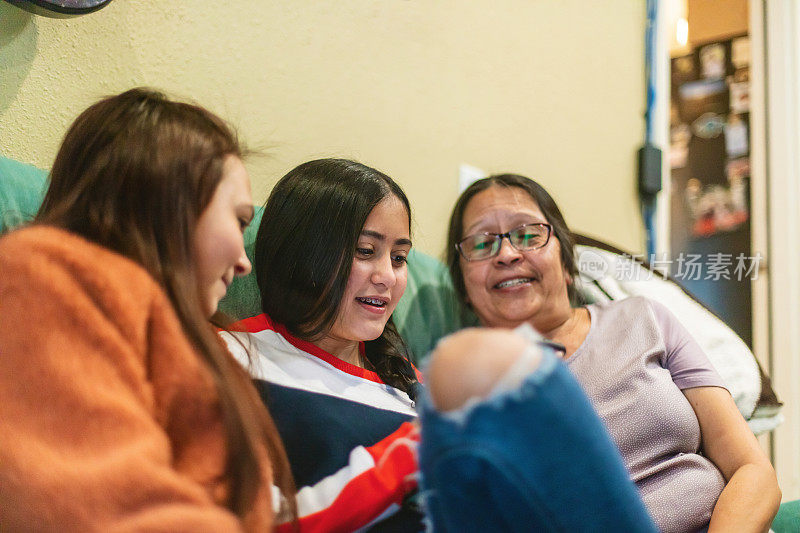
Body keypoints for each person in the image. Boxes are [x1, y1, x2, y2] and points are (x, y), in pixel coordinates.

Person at [224, 159, 659, 532]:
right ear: (302, 253)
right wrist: (419, 446)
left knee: (522, 380)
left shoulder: (408, 381)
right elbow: (259, 521)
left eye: (398, 258)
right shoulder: (235, 357)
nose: (388, 276)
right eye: (364, 251)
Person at [0, 88, 295, 532]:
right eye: (238, 220)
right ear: (171, 200)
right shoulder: (43, 275)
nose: (244, 262)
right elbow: (87, 502)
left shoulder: (199, 341)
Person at [445, 174, 781, 533]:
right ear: (463, 285)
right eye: (482, 244)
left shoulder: (644, 318)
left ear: (566, 259)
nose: (508, 254)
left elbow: (752, 470)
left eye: (528, 234)